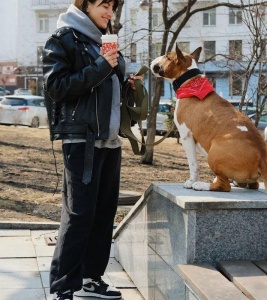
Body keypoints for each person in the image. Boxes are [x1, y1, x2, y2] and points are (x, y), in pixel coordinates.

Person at [43, 1, 140, 299]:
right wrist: (101, 66)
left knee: (102, 213)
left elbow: (104, 91)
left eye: (112, 6)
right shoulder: (63, 39)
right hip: (80, 140)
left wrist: (128, 85)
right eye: (103, 4)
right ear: (84, 5)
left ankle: (90, 278)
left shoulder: (103, 42)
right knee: (79, 213)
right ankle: (62, 288)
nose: (109, 12)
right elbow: (56, 86)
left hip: (110, 140)